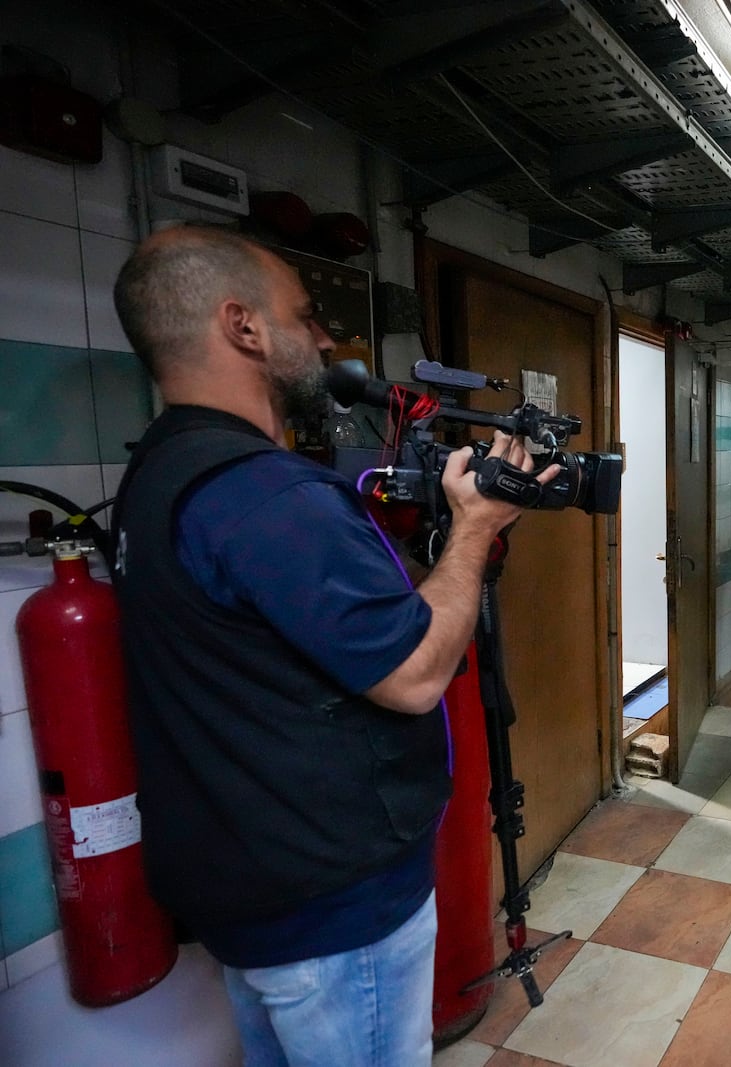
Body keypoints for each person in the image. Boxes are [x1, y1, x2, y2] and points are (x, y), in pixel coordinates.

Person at [110, 226, 542, 1067]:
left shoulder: (157, 474)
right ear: (244, 326)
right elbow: (416, 675)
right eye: (305, 318)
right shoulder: (269, 497)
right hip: (336, 911)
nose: (322, 340)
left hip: (249, 887)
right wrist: (475, 528)